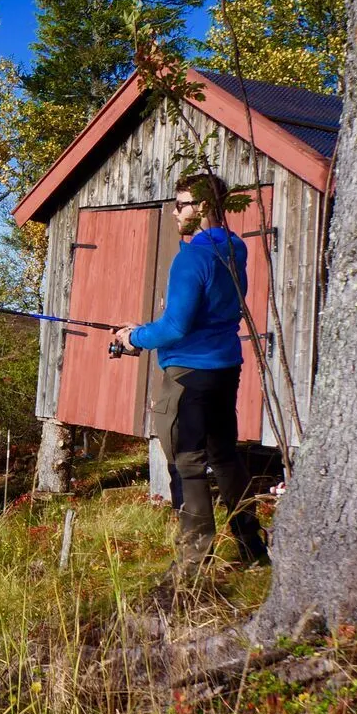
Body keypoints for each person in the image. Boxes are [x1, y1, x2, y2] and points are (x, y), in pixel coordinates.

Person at [114, 172, 269, 577]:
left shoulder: (192, 258)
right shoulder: (235, 248)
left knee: (187, 464)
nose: (174, 211)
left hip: (188, 376)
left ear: (202, 207)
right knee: (226, 457)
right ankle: (253, 548)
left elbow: (176, 327)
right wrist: (148, 332)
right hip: (225, 369)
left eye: (180, 204)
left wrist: (134, 337)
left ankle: (191, 566)